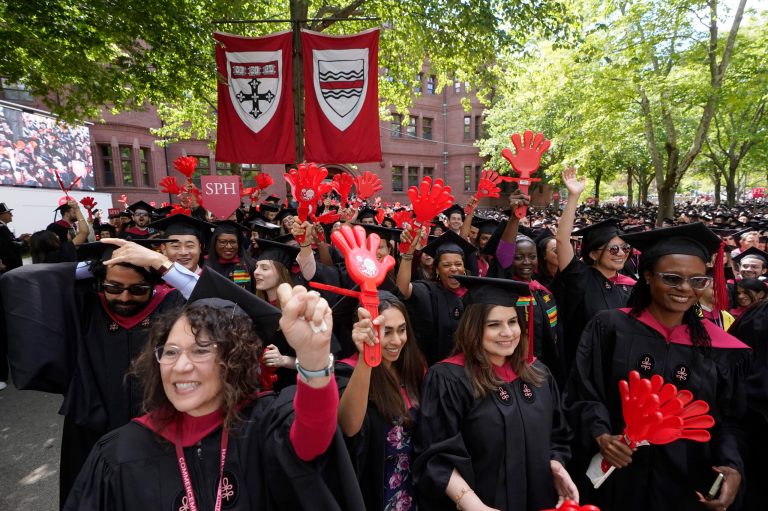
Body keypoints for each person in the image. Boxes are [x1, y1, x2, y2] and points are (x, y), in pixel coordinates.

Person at [64, 284, 366, 510]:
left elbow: (314, 434)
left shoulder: (267, 425)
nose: (181, 366)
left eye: (200, 350)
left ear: (235, 361)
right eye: (170, 352)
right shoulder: (120, 452)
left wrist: (313, 359)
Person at [563, 223, 750, 511]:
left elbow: (729, 420)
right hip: (618, 474)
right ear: (648, 276)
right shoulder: (610, 327)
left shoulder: (717, 346)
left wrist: (732, 465)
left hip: (688, 483)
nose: (685, 289)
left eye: (697, 280)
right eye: (672, 278)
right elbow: (584, 391)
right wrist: (600, 435)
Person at [0, 238, 190, 506]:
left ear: (154, 284)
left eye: (137, 289)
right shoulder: (87, 304)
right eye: (114, 287)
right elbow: (19, 279)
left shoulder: (171, 306)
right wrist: (97, 266)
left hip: (158, 422)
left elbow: (227, 305)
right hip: (91, 422)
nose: (124, 297)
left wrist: (160, 264)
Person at [414, 275, 577, 511]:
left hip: (540, 499)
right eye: (493, 325)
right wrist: (474, 505)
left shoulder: (538, 373)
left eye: (512, 322)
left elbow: (558, 435)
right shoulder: (448, 379)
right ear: (473, 328)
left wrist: (556, 465)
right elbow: (435, 456)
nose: (508, 332)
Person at [336, 292, 427, 511]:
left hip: (416, 488)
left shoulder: (413, 371)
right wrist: (367, 358)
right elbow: (349, 427)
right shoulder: (347, 372)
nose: (397, 341)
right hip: (376, 490)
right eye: (386, 332)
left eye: (402, 330)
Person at [553, 167, 635, 369]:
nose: (622, 253)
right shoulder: (580, 277)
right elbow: (562, 241)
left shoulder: (631, 285)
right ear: (593, 253)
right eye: (613, 249)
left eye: (625, 248)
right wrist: (574, 196)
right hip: (584, 364)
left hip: (622, 364)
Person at [397, 230, 477, 365]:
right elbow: (403, 289)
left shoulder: (473, 295)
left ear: (464, 267)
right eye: (446, 265)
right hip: (434, 366)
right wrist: (408, 255)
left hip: (468, 367)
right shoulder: (429, 291)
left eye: (458, 264)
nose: (453, 268)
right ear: (438, 270)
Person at [206, 220, 256, 291]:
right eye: (223, 242)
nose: (228, 246)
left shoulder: (250, 266)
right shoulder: (205, 264)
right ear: (215, 243)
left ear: (238, 243)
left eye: (233, 242)